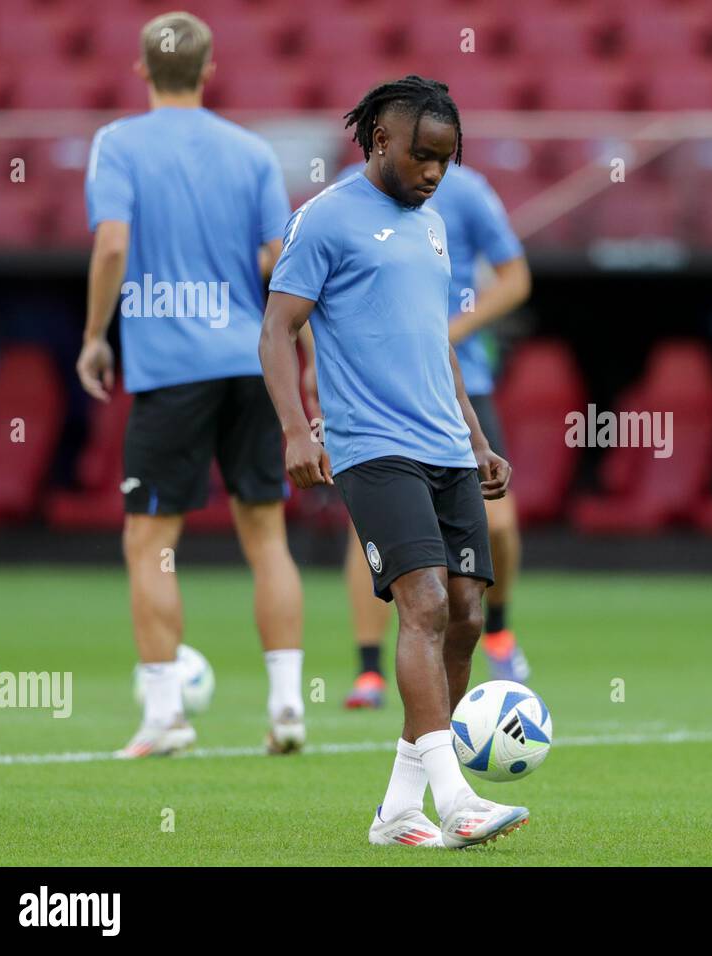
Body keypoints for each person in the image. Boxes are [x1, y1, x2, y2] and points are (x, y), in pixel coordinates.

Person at [259, 76, 529, 849]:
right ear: (380, 141)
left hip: (448, 445)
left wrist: (477, 440)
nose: (434, 174)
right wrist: (295, 433)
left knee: (468, 617)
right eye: (423, 157)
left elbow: (434, 343)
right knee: (424, 604)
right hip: (373, 448)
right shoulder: (324, 219)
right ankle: (456, 800)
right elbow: (277, 332)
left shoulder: (435, 225)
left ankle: (396, 810)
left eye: (446, 160)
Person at [78, 11, 307, 758]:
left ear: (142, 70)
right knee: (266, 534)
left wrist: (93, 336)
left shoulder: (118, 144)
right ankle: (286, 710)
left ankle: (165, 715)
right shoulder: (250, 152)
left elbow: (112, 243)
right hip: (249, 361)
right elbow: (280, 261)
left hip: (172, 371)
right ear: (209, 72)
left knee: (151, 540)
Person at [321, 157, 531, 708]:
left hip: (459, 383)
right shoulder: (347, 196)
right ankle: (368, 669)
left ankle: (500, 629)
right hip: (380, 390)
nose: (432, 161)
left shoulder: (467, 192)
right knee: (366, 530)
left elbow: (515, 278)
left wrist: (448, 329)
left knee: (499, 520)